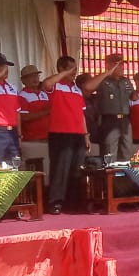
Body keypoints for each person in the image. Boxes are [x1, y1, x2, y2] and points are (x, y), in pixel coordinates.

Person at [41, 56, 91, 214]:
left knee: (77, 170)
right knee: (60, 169)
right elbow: (46, 84)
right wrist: (64, 74)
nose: (74, 72)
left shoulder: (76, 89)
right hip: (60, 133)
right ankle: (55, 202)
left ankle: (74, 202)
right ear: (61, 68)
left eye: (75, 68)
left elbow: (81, 114)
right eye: (70, 68)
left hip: (78, 134)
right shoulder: (56, 86)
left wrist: (86, 135)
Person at [86, 53, 135, 161]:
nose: (122, 67)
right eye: (118, 65)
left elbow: (133, 96)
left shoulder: (125, 81)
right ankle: (109, 178)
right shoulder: (103, 80)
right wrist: (107, 73)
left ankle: (124, 178)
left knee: (127, 155)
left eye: (122, 64)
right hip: (109, 121)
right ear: (108, 65)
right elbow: (88, 87)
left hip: (125, 121)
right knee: (109, 154)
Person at [18, 65, 51, 172]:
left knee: (49, 168)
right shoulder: (22, 96)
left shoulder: (44, 94)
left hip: (49, 137)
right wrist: (45, 112)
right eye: (30, 77)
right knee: (37, 170)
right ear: (23, 80)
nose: (35, 79)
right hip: (33, 139)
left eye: (36, 75)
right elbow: (23, 117)